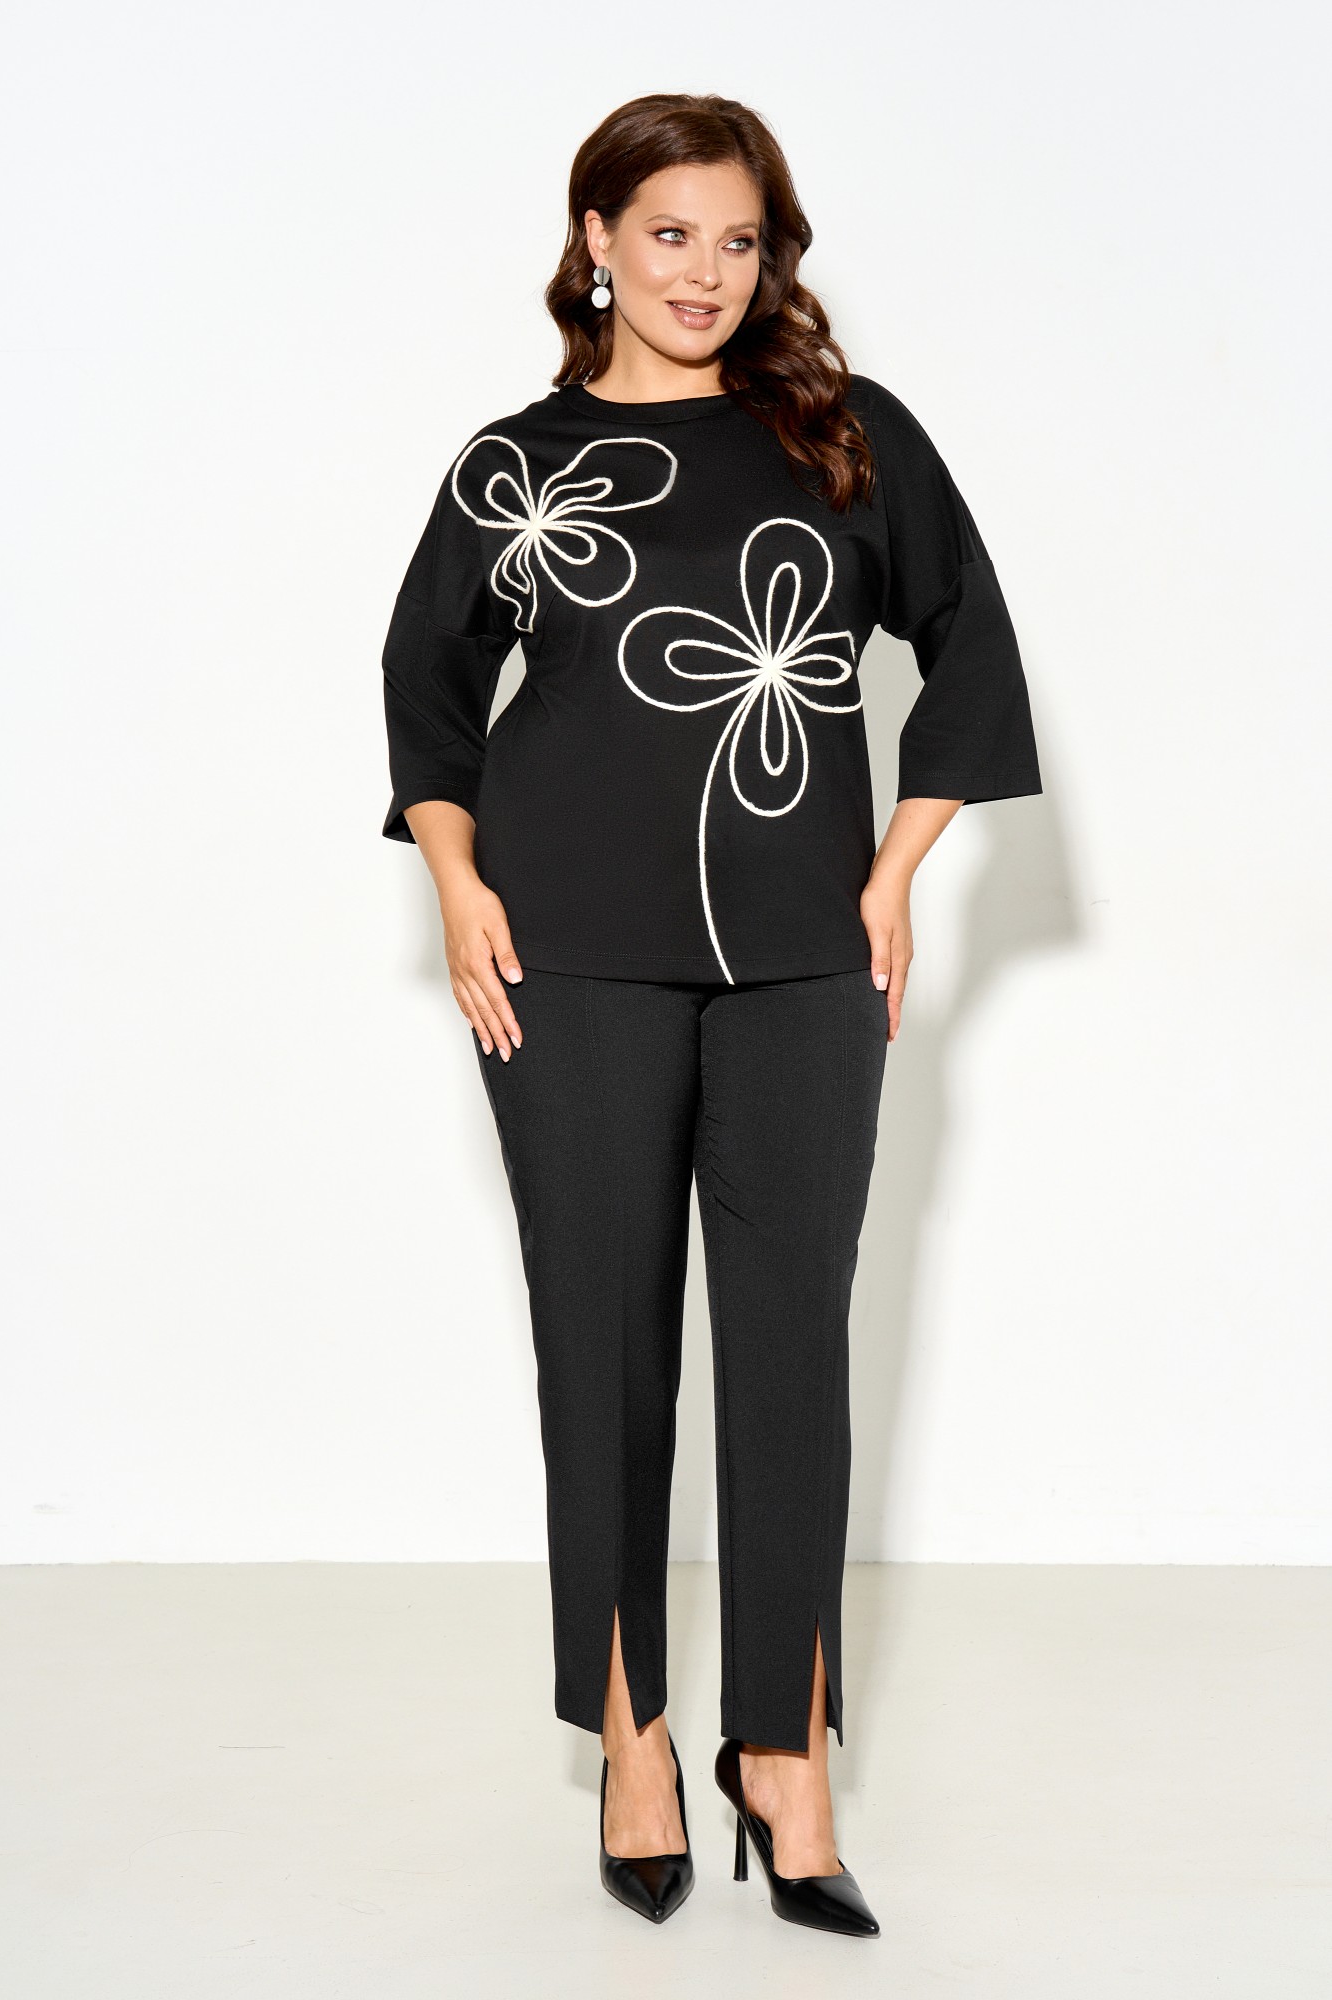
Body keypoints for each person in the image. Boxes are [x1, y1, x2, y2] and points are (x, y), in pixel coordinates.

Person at [378, 91, 1042, 1937]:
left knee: (791, 1352)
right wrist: (456, 883)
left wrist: (892, 874)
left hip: (805, 962)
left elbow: (970, 647)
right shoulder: (516, 465)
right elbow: (426, 685)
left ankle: (785, 1757)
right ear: (596, 238)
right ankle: (634, 1739)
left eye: (737, 240)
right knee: (599, 1350)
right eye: (668, 233)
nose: (704, 273)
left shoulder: (841, 435)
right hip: (565, 957)